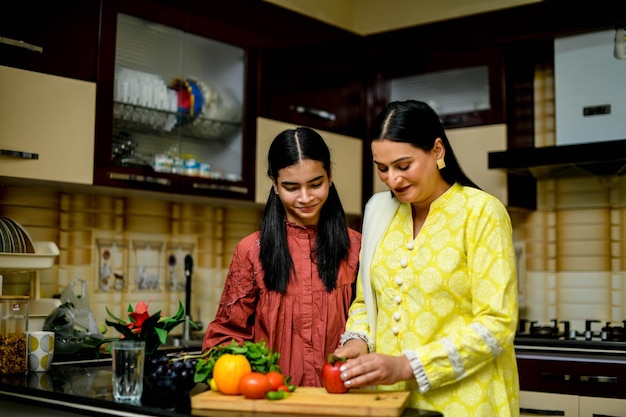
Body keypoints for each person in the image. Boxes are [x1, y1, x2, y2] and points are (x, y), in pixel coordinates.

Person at [334, 100, 519, 416]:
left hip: (468, 402)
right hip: (392, 401)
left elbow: (496, 325)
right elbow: (366, 302)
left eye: (403, 166)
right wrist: (358, 341)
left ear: (437, 150)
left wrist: (406, 365)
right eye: (382, 168)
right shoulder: (380, 213)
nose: (393, 180)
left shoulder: (481, 213)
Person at [202, 126, 362, 387]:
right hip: (272, 400)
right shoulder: (251, 250)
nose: (305, 197)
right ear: (274, 184)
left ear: (330, 175)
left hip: (343, 402)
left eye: (315, 184)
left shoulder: (357, 247)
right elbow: (228, 334)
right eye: (291, 187)